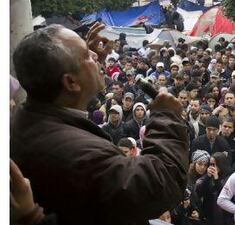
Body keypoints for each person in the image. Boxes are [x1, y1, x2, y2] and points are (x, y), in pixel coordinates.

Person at [11, 23, 189, 225]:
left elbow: (66, 85)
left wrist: (80, 65)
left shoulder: (33, 113)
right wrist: (167, 117)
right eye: (87, 55)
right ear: (71, 83)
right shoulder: (82, 156)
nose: (96, 56)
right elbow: (162, 182)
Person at [194, 152, 234, 225]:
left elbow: (223, 195)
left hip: (222, 215)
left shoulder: (230, 177)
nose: (212, 167)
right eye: (211, 164)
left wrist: (216, 179)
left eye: (215, 164)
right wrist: (207, 177)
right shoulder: (208, 176)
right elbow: (200, 193)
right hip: (208, 214)